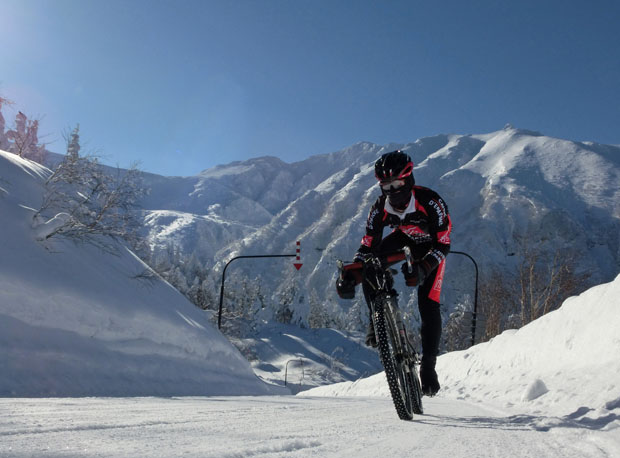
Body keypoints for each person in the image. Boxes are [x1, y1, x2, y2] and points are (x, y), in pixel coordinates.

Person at [336, 150, 451, 397]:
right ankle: (376, 318)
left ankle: (428, 368)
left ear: (409, 179)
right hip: (405, 241)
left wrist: (425, 267)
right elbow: (366, 246)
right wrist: (351, 274)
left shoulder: (431, 202)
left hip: (431, 249)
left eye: (397, 183)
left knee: (428, 304)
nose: (392, 189)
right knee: (369, 264)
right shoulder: (379, 209)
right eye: (386, 184)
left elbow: (444, 245)